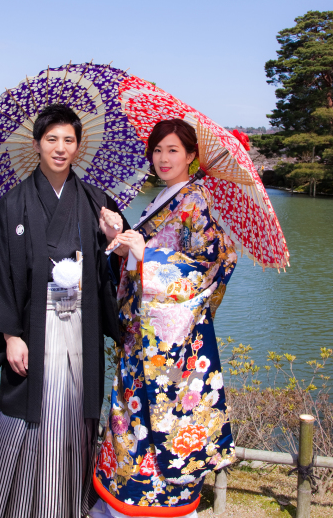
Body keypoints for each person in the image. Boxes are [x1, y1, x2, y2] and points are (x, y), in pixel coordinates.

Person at [0, 103, 126, 518]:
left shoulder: (96, 202)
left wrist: (116, 237)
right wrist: (10, 335)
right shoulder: (12, 204)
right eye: (51, 139)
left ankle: (68, 499)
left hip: (80, 326)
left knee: (75, 410)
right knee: (28, 410)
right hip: (32, 328)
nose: (60, 148)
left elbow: (118, 269)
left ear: (78, 147)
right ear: (37, 144)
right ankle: (11, 497)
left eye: (68, 140)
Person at [91, 119, 236, 518]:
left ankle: (154, 509)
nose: (163, 158)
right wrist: (118, 240)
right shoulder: (166, 199)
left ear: (192, 155)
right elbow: (139, 260)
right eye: (157, 150)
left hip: (173, 345)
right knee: (130, 418)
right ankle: (119, 506)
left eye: (173, 150)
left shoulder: (195, 202)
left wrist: (147, 256)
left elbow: (208, 267)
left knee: (164, 423)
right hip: (144, 337)